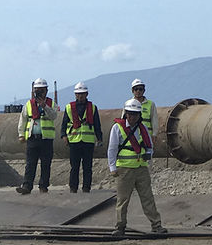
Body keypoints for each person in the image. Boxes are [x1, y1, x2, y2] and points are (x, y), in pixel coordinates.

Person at [108, 98, 166, 236]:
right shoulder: (117, 128)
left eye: (135, 114)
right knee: (123, 200)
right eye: (130, 114)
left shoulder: (143, 129)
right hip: (124, 169)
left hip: (141, 168)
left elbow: (149, 146)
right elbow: (112, 149)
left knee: (148, 198)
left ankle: (156, 225)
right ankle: (120, 226)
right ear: (126, 113)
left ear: (139, 115)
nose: (132, 117)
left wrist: (148, 157)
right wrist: (112, 167)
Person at [16, 77, 58, 194]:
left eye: (42, 90)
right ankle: (27, 186)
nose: (39, 92)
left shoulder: (51, 103)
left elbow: (54, 116)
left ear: (46, 90)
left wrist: (44, 106)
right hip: (32, 138)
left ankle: (43, 186)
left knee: (46, 164)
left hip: (46, 139)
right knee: (30, 163)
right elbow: (23, 119)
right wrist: (21, 134)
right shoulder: (29, 104)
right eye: (37, 90)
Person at [61, 82, 102, 193]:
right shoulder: (69, 107)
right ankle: (73, 187)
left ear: (87, 94)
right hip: (74, 141)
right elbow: (64, 124)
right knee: (74, 167)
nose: (80, 96)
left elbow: (97, 125)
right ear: (75, 94)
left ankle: (86, 188)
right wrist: (64, 136)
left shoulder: (92, 108)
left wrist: (99, 138)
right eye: (78, 94)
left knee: (87, 167)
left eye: (83, 93)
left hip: (88, 142)